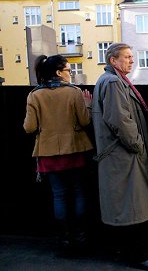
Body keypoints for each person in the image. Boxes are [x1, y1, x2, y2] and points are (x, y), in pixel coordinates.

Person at [91, 43, 148, 270]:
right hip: (124, 156)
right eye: (126, 57)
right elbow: (120, 120)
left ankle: (125, 252)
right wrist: (138, 146)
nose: (132, 61)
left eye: (132, 57)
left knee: (127, 208)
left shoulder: (108, 80)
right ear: (113, 61)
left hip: (118, 155)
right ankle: (141, 256)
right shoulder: (114, 82)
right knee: (136, 208)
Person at [23, 55, 93, 255]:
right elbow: (85, 121)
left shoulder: (35, 95)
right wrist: (87, 105)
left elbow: (29, 128)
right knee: (79, 192)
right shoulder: (74, 93)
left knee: (59, 195)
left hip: (48, 152)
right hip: (75, 148)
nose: (71, 74)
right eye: (69, 70)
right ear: (58, 72)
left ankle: (64, 242)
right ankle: (81, 240)